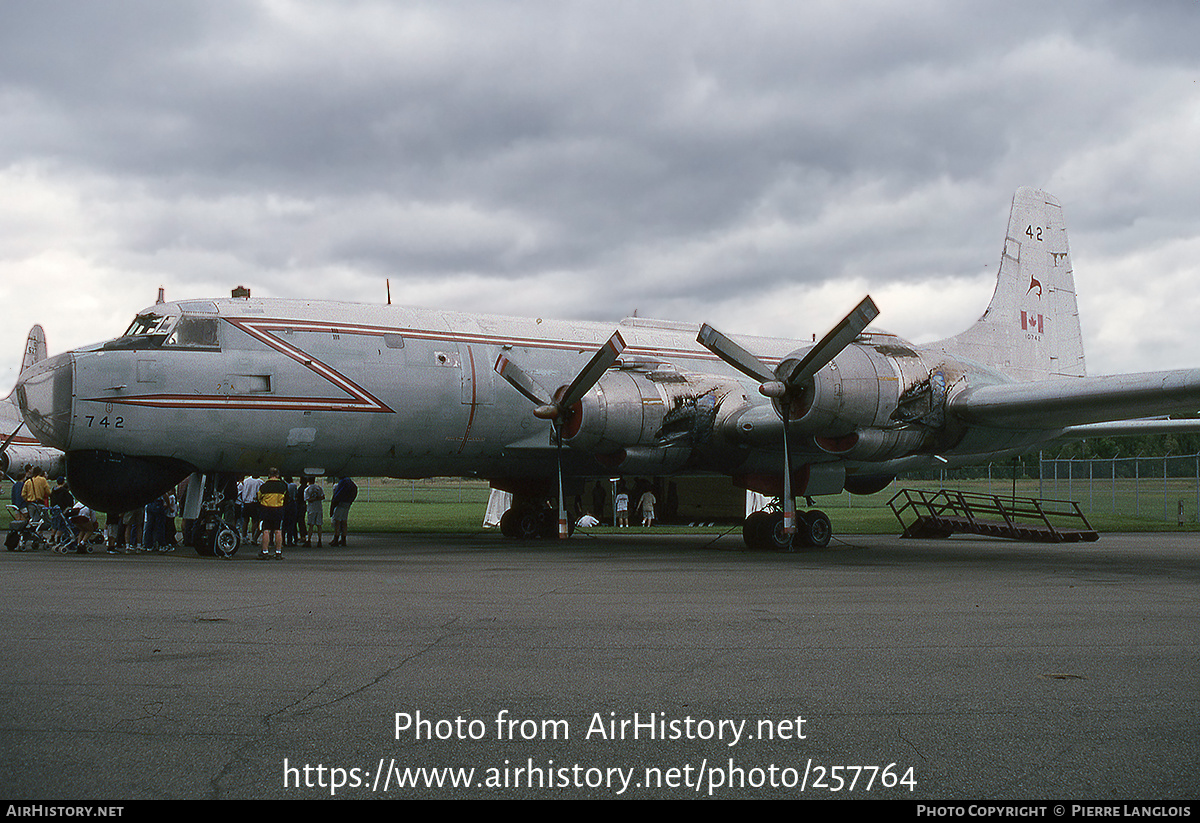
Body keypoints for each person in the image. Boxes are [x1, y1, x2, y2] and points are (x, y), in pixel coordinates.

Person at [256, 468, 288, 560]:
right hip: (278, 510)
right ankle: (278, 552)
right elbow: (286, 499)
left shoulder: (264, 486)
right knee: (278, 531)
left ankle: (265, 552)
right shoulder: (283, 486)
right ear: (278, 475)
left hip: (266, 510)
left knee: (266, 531)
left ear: (269, 475)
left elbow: (259, 497)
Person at [329, 476, 357, 547]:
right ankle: (343, 539)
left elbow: (336, 496)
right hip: (347, 503)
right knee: (344, 521)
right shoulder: (349, 482)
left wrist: (332, 509)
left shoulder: (342, 482)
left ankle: (336, 538)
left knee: (337, 521)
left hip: (340, 503)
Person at [303, 477, 324, 547]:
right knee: (319, 525)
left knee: (311, 525)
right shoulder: (319, 488)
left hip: (311, 509)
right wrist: (317, 498)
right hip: (319, 508)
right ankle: (319, 540)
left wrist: (313, 499)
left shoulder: (307, 489)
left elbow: (306, 499)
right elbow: (322, 496)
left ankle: (309, 540)